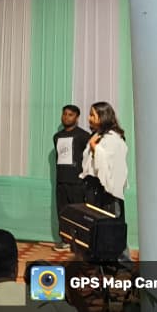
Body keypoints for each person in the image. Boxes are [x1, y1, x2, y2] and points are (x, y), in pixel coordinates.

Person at [81, 101, 129, 219]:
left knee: (106, 223)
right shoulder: (96, 135)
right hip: (93, 188)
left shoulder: (113, 138)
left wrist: (94, 147)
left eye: (92, 115)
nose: (89, 118)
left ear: (103, 116)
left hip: (106, 192)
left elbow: (112, 165)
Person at [53, 104, 92, 248]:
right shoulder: (57, 136)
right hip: (61, 181)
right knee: (62, 212)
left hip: (77, 182)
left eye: (70, 115)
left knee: (78, 213)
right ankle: (65, 240)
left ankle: (81, 242)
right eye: (64, 114)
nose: (66, 117)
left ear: (77, 117)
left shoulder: (84, 136)